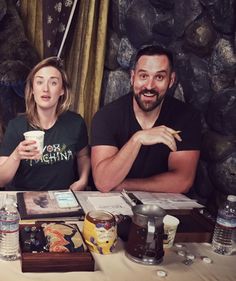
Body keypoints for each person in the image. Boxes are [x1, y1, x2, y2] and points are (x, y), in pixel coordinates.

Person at [91, 45, 201, 193]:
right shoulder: (106, 116)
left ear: (171, 80)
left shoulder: (187, 117)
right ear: (132, 77)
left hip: (164, 209)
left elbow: (183, 181)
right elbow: (104, 183)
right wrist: (137, 139)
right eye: (143, 76)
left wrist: (123, 185)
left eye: (159, 77)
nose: (149, 86)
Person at [0, 57, 90, 191]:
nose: (45, 89)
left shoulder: (75, 123)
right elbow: (1, 180)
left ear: (62, 90)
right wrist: (16, 155)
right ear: (32, 90)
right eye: (40, 82)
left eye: (53, 83)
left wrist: (83, 180)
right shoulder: (16, 126)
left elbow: (83, 156)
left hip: (63, 200)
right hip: (26, 201)